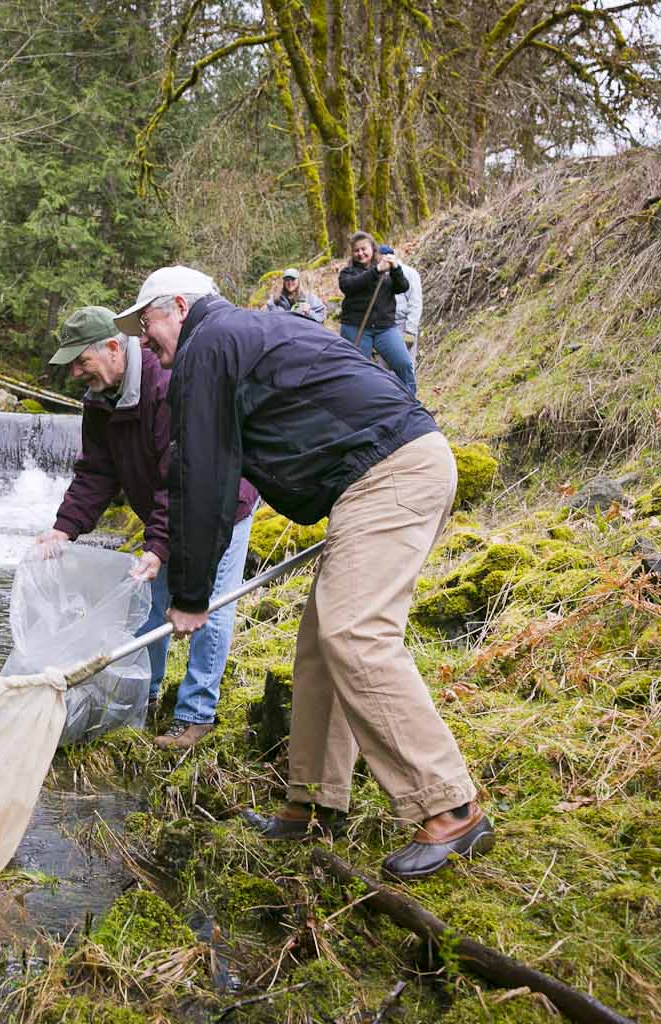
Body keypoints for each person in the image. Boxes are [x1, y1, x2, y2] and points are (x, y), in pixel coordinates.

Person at [113, 266, 493, 882]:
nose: (144, 341)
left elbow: (202, 479)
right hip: (382, 472)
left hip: (390, 473)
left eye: (146, 325)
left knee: (355, 635)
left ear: (179, 307)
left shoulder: (207, 348)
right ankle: (313, 802)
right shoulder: (243, 334)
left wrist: (189, 595)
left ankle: (450, 806)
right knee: (320, 649)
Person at [34, 305, 258, 750]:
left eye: (82, 361)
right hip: (172, 505)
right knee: (151, 608)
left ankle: (195, 717)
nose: (77, 372)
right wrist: (64, 529)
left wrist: (157, 544)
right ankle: (146, 698)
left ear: (114, 347)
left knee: (207, 608)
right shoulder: (100, 400)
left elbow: (181, 472)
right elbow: (96, 472)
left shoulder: (167, 383)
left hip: (218, 502)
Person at [338, 234, 416, 394]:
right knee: (361, 373)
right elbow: (350, 286)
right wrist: (376, 270)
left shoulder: (386, 271)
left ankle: (412, 405)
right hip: (356, 327)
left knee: (404, 364)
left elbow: (402, 287)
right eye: (356, 250)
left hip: (384, 328)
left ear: (372, 249)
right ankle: (365, 410)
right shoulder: (348, 273)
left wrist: (395, 269)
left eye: (364, 249)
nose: (360, 253)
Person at [394, 256, 422, 367]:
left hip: (403, 324)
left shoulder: (409, 273)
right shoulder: (377, 273)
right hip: (384, 326)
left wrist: (410, 331)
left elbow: (415, 303)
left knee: (406, 366)